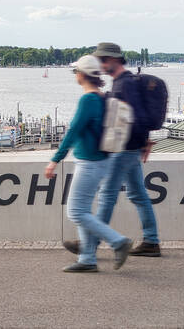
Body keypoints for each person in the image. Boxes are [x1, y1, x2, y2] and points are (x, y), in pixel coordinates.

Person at [62, 42, 161, 257]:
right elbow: (135, 115)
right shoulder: (123, 84)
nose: (101, 65)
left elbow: (133, 117)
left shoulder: (123, 85)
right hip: (132, 148)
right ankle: (151, 241)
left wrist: (142, 141)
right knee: (138, 194)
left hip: (124, 149)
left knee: (107, 195)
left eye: (103, 60)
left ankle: (90, 245)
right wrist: (144, 140)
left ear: (114, 60)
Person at [45, 54, 133, 273]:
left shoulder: (88, 100)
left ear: (82, 75)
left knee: (75, 212)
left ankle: (117, 241)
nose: (75, 75)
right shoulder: (102, 98)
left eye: (76, 71)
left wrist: (55, 160)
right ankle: (87, 259)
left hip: (89, 163)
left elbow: (73, 131)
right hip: (101, 161)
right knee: (83, 211)